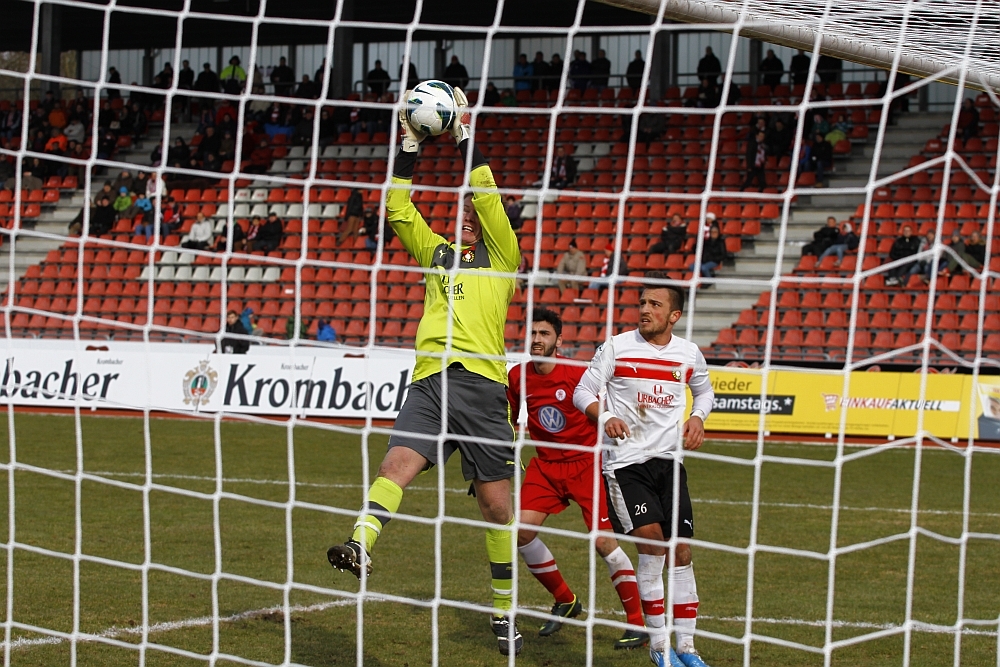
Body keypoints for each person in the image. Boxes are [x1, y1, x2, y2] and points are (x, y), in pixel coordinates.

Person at [327, 87, 525, 657]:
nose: (466, 216)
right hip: (431, 380)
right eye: (462, 212)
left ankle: (503, 611)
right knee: (394, 465)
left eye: (474, 214)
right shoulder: (437, 254)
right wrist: (408, 147)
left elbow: (485, 191)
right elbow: (397, 210)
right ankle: (360, 544)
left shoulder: (503, 257)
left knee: (496, 508)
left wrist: (462, 133)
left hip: (483, 387)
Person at [573, 274, 715, 667]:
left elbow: (704, 391)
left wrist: (698, 417)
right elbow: (582, 391)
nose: (645, 310)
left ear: (674, 316)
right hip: (626, 464)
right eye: (642, 303)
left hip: (670, 463)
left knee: (681, 551)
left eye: (655, 305)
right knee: (653, 547)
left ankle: (687, 648)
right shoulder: (616, 347)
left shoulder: (689, 354)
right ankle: (658, 646)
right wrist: (606, 418)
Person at [508, 308, 648, 649]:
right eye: (533, 333)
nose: (537, 340)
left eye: (544, 334)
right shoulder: (517, 376)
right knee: (520, 533)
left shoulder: (577, 374)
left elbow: (603, 409)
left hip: (586, 465)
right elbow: (509, 417)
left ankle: (638, 624)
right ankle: (565, 600)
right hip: (546, 466)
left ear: (559, 340)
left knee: (603, 543)